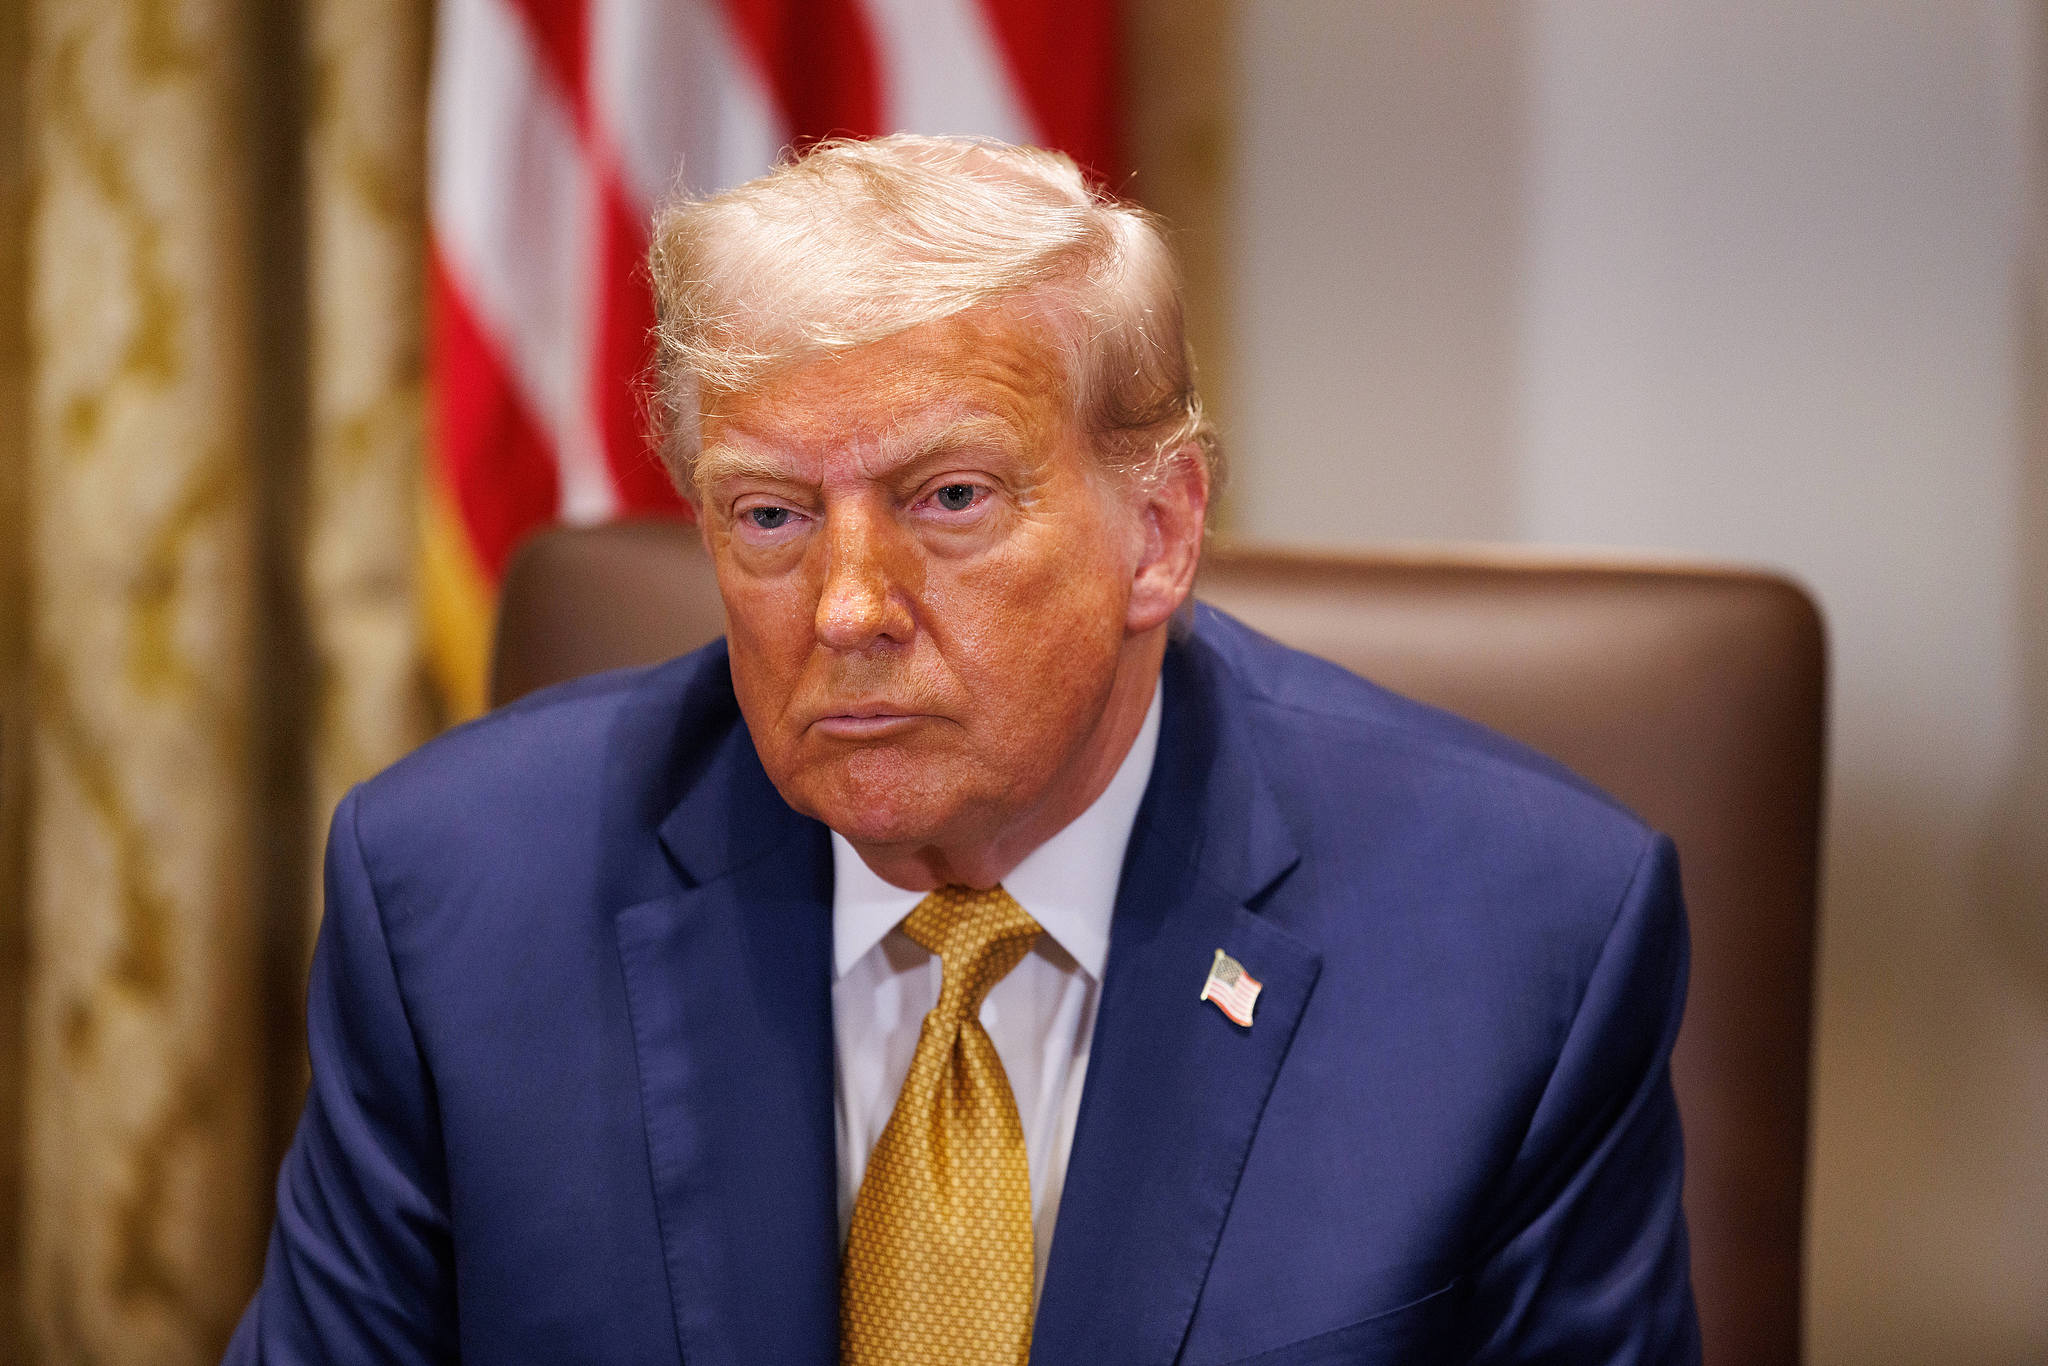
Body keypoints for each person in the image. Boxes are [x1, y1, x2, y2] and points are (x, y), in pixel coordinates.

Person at [225, 135, 1698, 1365]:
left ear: (1161, 532)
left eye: (949, 498)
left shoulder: (1522, 946)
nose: (850, 607)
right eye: (771, 515)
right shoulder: (456, 905)